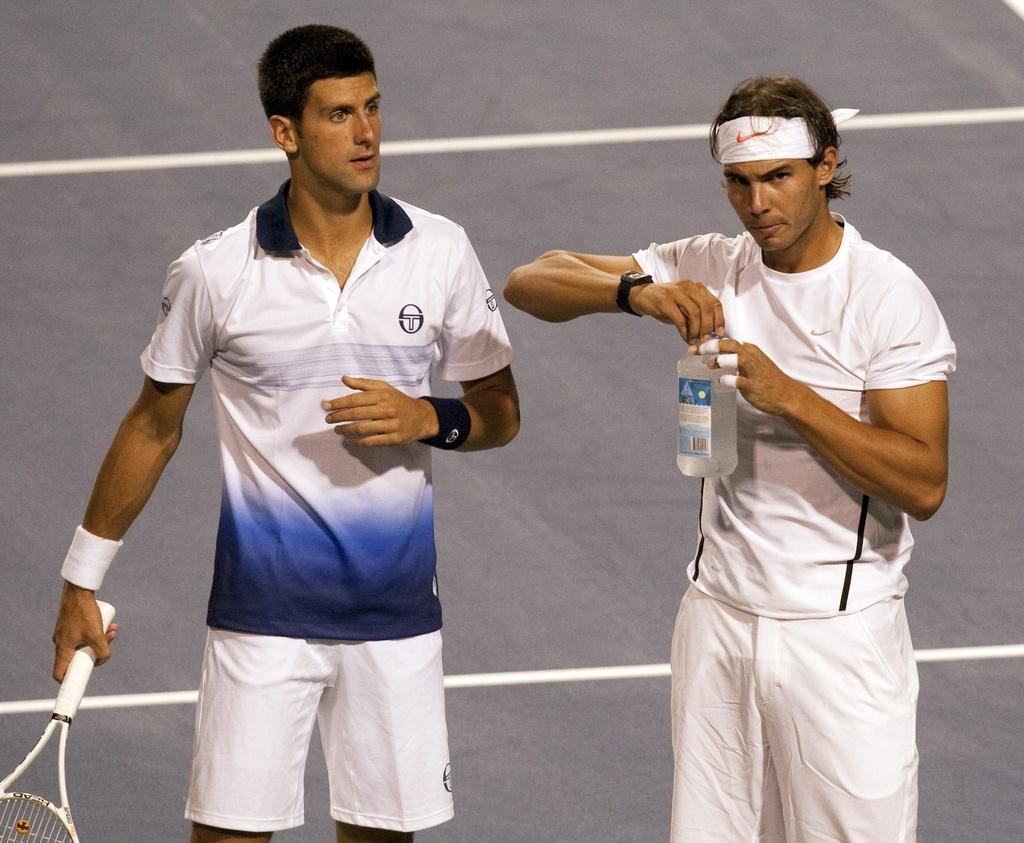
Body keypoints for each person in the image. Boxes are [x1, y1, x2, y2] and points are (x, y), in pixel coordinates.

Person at [51, 24, 519, 843]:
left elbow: (500, 409)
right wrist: (79, 581)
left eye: (373, 107)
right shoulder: (216, 271)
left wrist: (429, 417)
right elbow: (153, 425)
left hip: (396, 617)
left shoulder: (441, 251)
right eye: (339, 114)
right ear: (286, 132)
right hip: (261, 616)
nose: (367, 132)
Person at [504, 75, 954, 842]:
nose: (758, 205)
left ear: (824, 165)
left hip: (838, 636)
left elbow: (924, 481)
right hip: (716, 621)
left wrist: (794, 397)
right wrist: (634, 293)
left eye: (777, 177)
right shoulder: (710, 263)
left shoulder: (886, 296)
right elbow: (528, 281)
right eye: (739, 183)